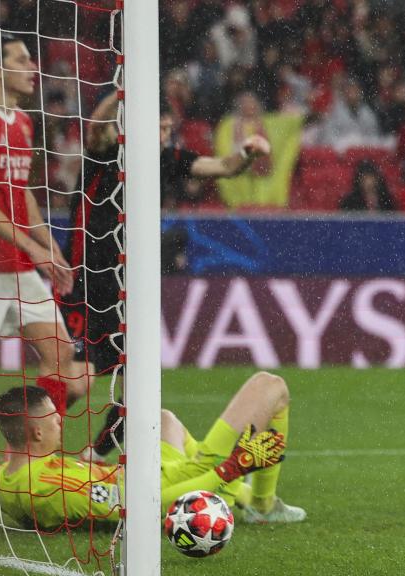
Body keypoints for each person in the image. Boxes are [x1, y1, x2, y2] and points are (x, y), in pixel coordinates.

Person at [60, 91, 271, 459]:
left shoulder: (167, 158)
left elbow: (223, 166)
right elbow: (96, 128)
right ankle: (28, 437)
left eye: (168, 128)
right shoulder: (106, 153)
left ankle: (94, 455)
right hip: (85, 279)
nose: (163, 134)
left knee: (138, 381)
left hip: (128, 284)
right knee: (81, 379)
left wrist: (248, 152)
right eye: (158, 127)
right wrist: (124, 92)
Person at [0, 371, 305, 529]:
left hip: (148, 475)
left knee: (163, 419)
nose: (61, 422)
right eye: (54, 419)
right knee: (271, 386)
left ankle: (249, 499)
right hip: (177, 490)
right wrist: (230, 469)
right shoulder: (52, 488)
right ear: (36, 432)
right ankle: (262, 505)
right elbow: (146, 506)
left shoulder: (7, 475)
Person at [0, 33, 87, 417]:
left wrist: (50, 248)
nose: (33, 68)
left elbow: (23, 193)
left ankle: (41, 457)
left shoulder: (25, 123)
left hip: (19, 265)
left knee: (61, 352)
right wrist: (36, 250)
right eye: (20, 61)